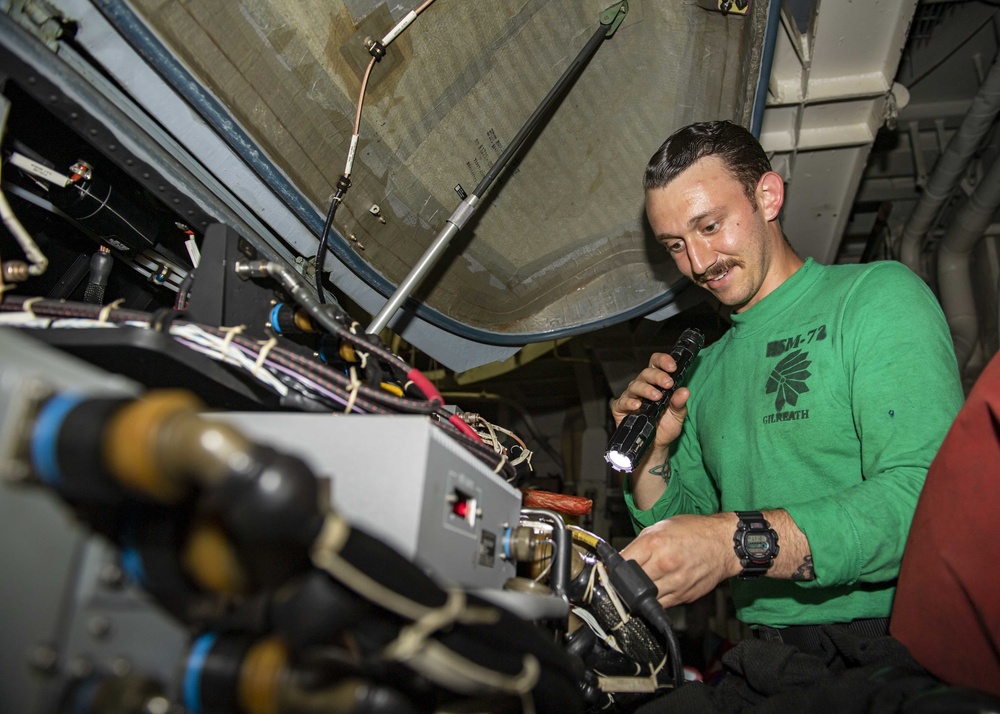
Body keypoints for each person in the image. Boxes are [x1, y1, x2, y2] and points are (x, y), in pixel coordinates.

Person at [611, 120, 964, 650]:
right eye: (676, 245)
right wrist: (651, 458)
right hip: (769, 654)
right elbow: (688, 530)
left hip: (890, 645)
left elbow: (926, 502)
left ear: (768, 196)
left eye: (710, 227)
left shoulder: (875, 298)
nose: (699, 263)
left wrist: (735, 544)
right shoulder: (702, 371)